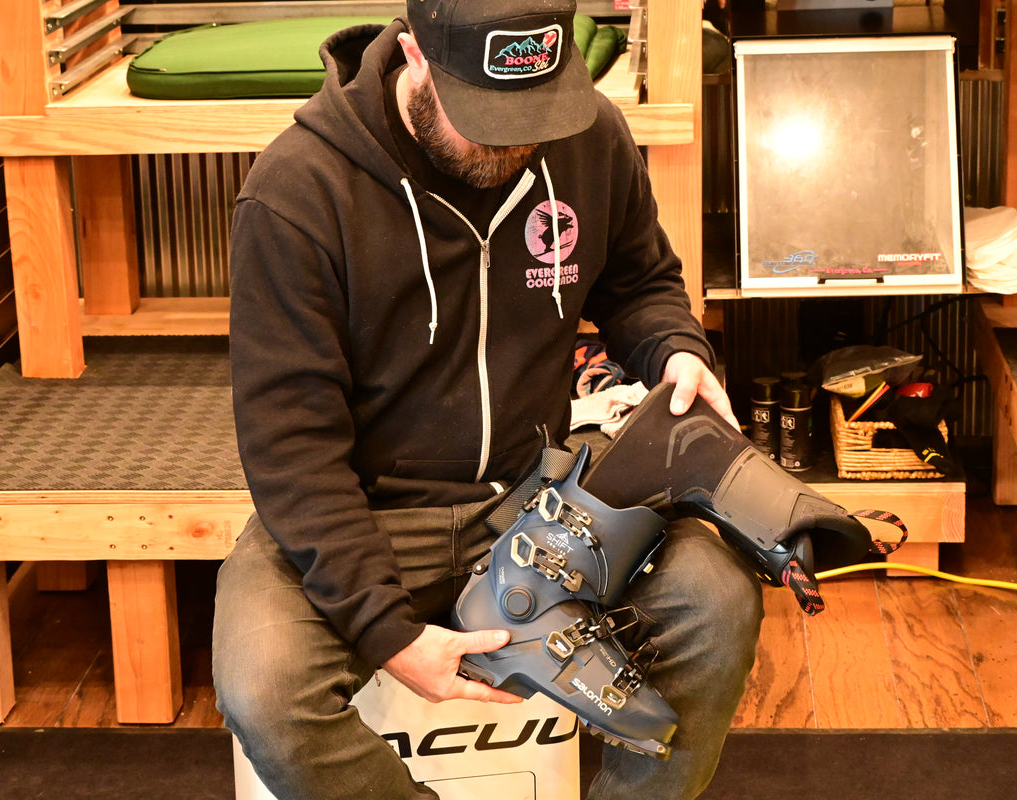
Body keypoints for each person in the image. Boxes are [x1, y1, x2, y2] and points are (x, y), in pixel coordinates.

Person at [213, 2, 764, 798]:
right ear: (415, 56)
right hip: (363, 509)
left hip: (535, 498)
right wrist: (385, 631)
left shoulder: (590, 137)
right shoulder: (298, 191)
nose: (514, 146)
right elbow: (290, 447)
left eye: (535, 116)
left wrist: (674, 347)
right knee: (266, 691)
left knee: (715, 606)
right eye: (489, 119)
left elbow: (640, 281)